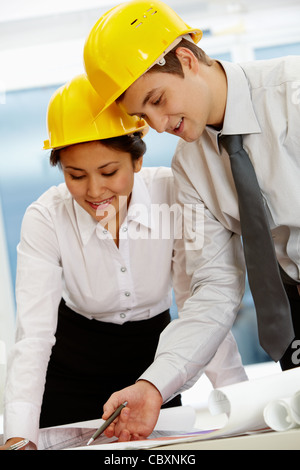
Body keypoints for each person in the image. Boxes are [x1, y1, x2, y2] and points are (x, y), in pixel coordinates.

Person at [82, 0, 300, 441]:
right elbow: (214, 287)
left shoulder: (292, 95)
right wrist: (154, 385)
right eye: (144, 115)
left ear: (185, 58)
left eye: (158, 99)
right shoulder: (191, 169)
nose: (159, 125)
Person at [1, 73, 246, 450]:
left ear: (137, 160)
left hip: (155, 364)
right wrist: (18, 437)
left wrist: (243, 403)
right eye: (75, 175)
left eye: (109, 172)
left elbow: (202, 302)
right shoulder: (45, 217)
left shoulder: (174, 194)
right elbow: (33, 336)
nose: (95, 191)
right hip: (72, 368)